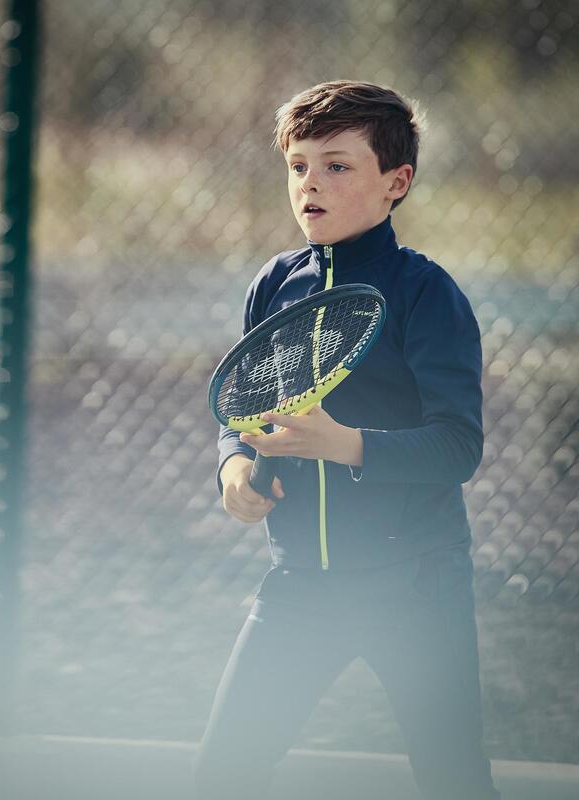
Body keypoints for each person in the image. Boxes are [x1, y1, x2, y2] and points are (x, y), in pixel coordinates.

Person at [194, 81, 500, 800]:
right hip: (301, 586)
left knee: (454, 779)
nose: (310, 184)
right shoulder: (275, 284)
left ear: (397, 183)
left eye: (337, 166)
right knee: (222, 773)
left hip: (417, 586)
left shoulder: (427, 294)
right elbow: (242, 414)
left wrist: (348, 445)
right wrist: (235, 467)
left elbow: (459, 446)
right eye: (298, 166)